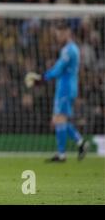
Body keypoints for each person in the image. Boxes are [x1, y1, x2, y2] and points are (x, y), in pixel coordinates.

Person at [25, 21, 89, 162]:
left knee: (59, 119)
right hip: (65, 87)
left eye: (60, 33)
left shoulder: (69, 50)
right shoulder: (71, 49)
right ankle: (80, 143)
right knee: (59, 120)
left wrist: (41, 78)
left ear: (67, 32)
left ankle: (62, 154)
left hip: (65, 88)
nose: (58, 36)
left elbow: (58, 69)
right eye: (57, 34)